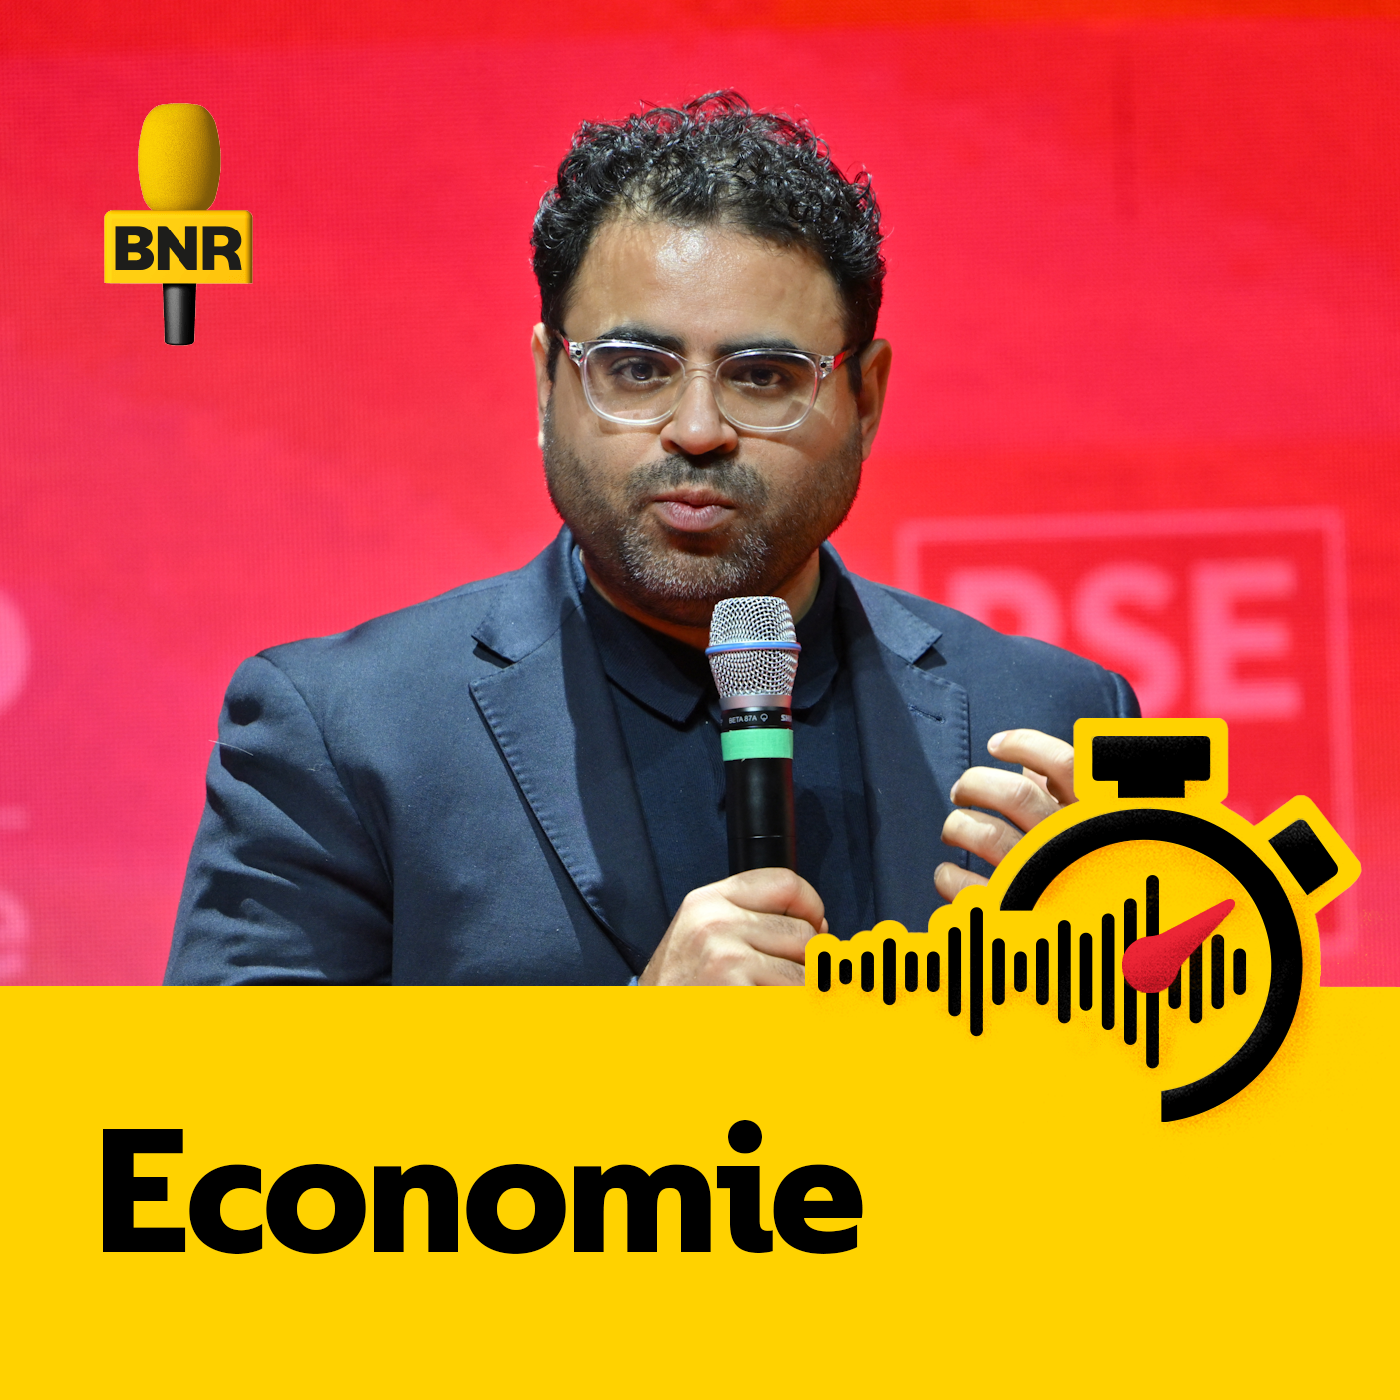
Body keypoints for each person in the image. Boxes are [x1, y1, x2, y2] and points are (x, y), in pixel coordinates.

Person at [165, 93, 1137, 988]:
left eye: (763, 376)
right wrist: (635, 1049)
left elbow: (1166, 1091)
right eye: (636, 369)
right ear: (547, 383)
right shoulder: (347, 733)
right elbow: (223, 1109)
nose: (697, 428)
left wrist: (1100, 988)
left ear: (866, 398)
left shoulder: (1052, 721)